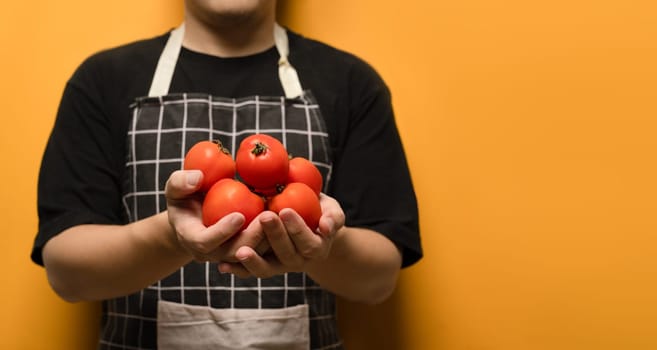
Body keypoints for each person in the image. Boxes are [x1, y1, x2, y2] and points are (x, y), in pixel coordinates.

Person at [31, 1, 422, 348]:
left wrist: (318, 245)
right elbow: (67, 274)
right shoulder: (102, 81)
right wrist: (173, 235)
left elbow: (379, 280)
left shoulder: (352, 84)